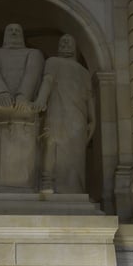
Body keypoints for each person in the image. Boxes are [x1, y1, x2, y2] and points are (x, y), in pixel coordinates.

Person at [32, 34, 95, 193]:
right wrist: (40, 102)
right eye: (62, 42)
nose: (65, 44)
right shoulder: (53, 62)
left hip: (78, 116)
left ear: (75, 47)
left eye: (69, 42)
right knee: (51, 144)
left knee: (76, 155)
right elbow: (47, 81)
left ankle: (74, 189)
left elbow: (89, 98)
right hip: (56, 111)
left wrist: (93, 119)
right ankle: (47, 182)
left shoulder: (84, 72)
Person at [0, 23, 44, 111]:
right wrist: (1, 93)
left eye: (17, 30)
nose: (14, 32)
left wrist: (24, 95)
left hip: (25, 103)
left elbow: (31, 74)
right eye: (10, 30)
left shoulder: (34, 53)